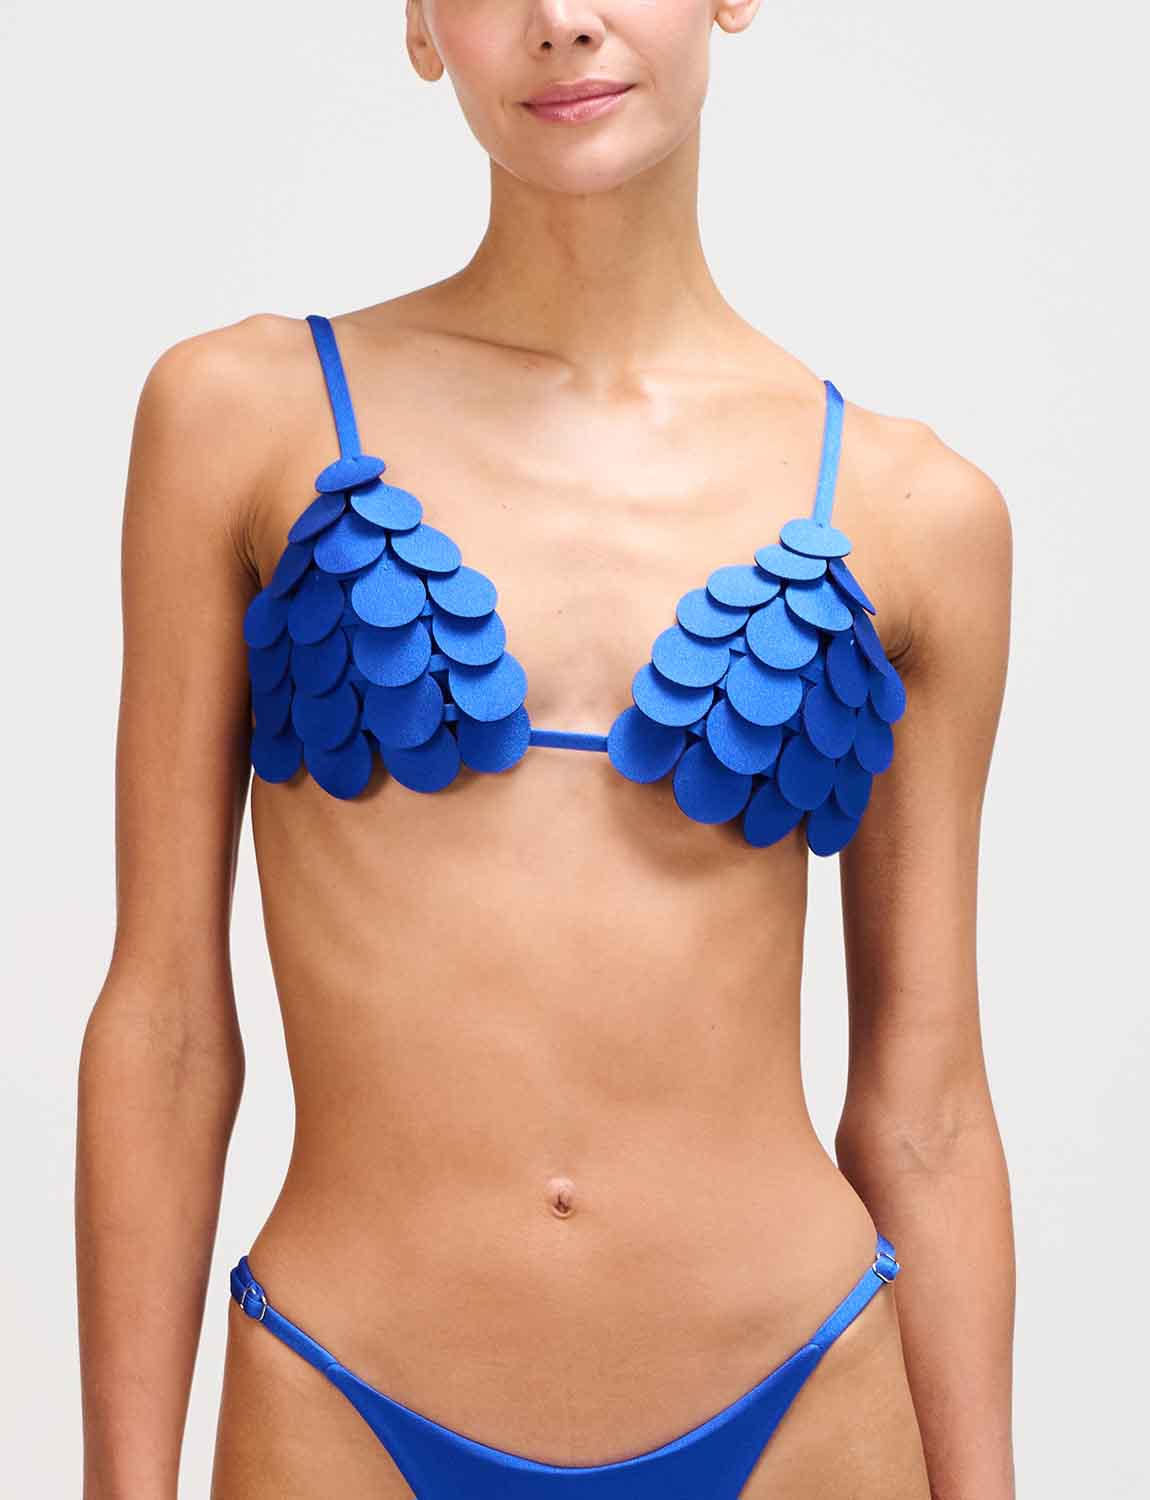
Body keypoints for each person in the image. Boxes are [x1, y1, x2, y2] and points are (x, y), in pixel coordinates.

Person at [76, 2, 1016, 1497]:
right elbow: (168, 1022)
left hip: (804, 1403)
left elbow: (931, 1109)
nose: (563, 21)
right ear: (419, 23)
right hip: (342, 1399)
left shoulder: (919, 512)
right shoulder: (236, 416)